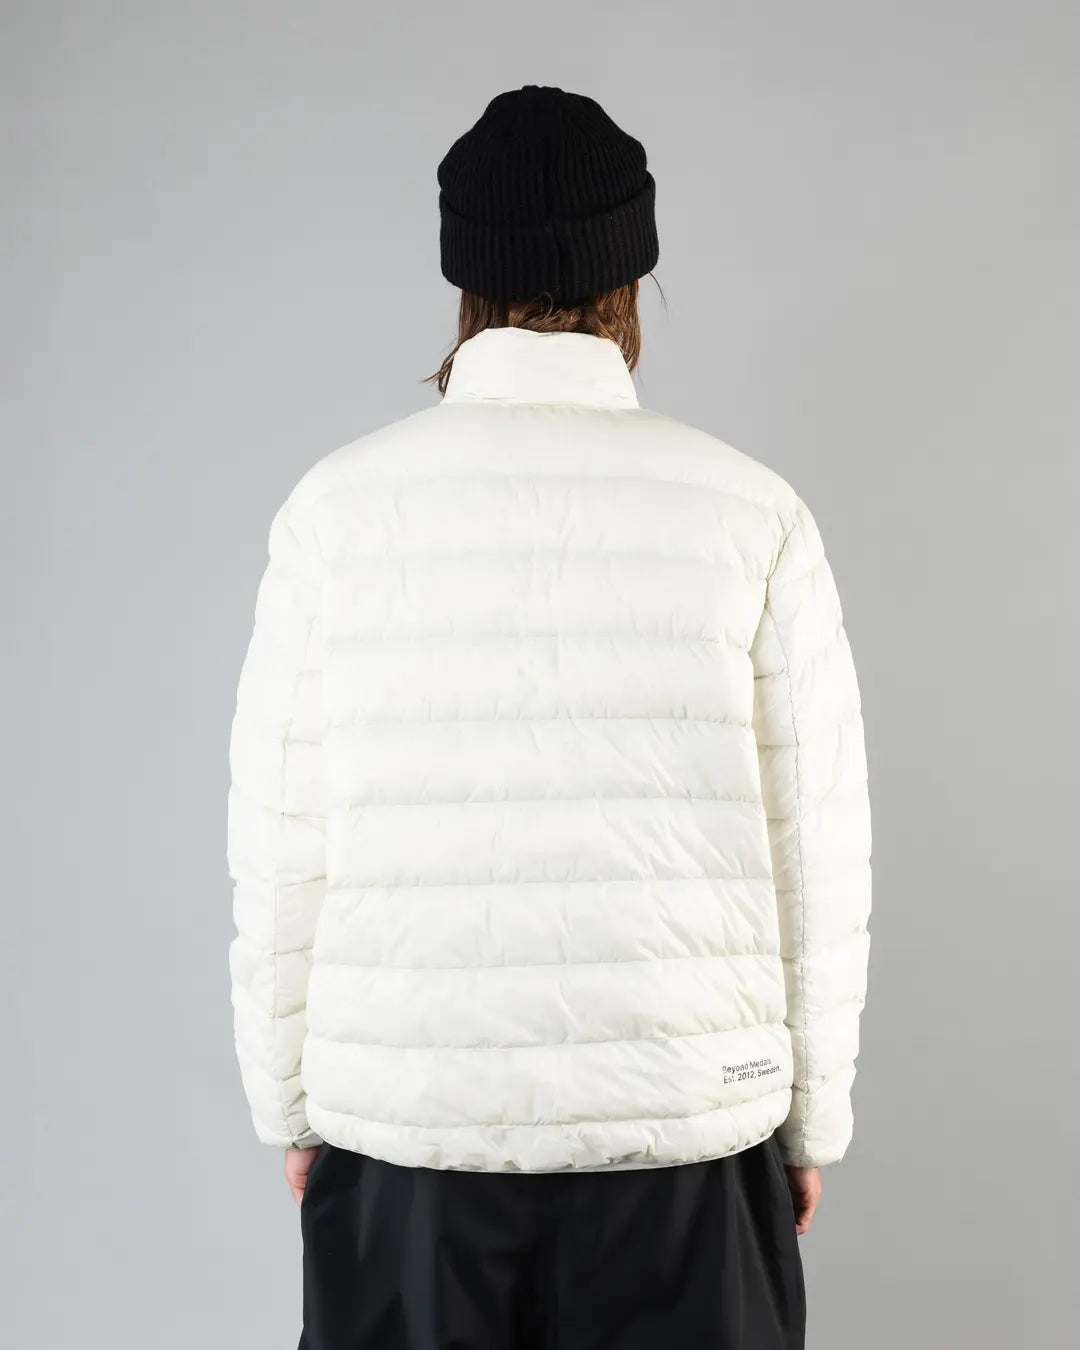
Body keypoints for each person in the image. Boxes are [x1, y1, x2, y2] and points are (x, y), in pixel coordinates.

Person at [225, 83, 873, 1350]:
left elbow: (282, 840)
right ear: (632, 268)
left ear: (462, 270)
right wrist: (812, 1120)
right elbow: (815, 846)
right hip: (685, 1135)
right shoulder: (750, 511)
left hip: (408, 1136)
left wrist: (291, 1103)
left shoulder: (336, 513)